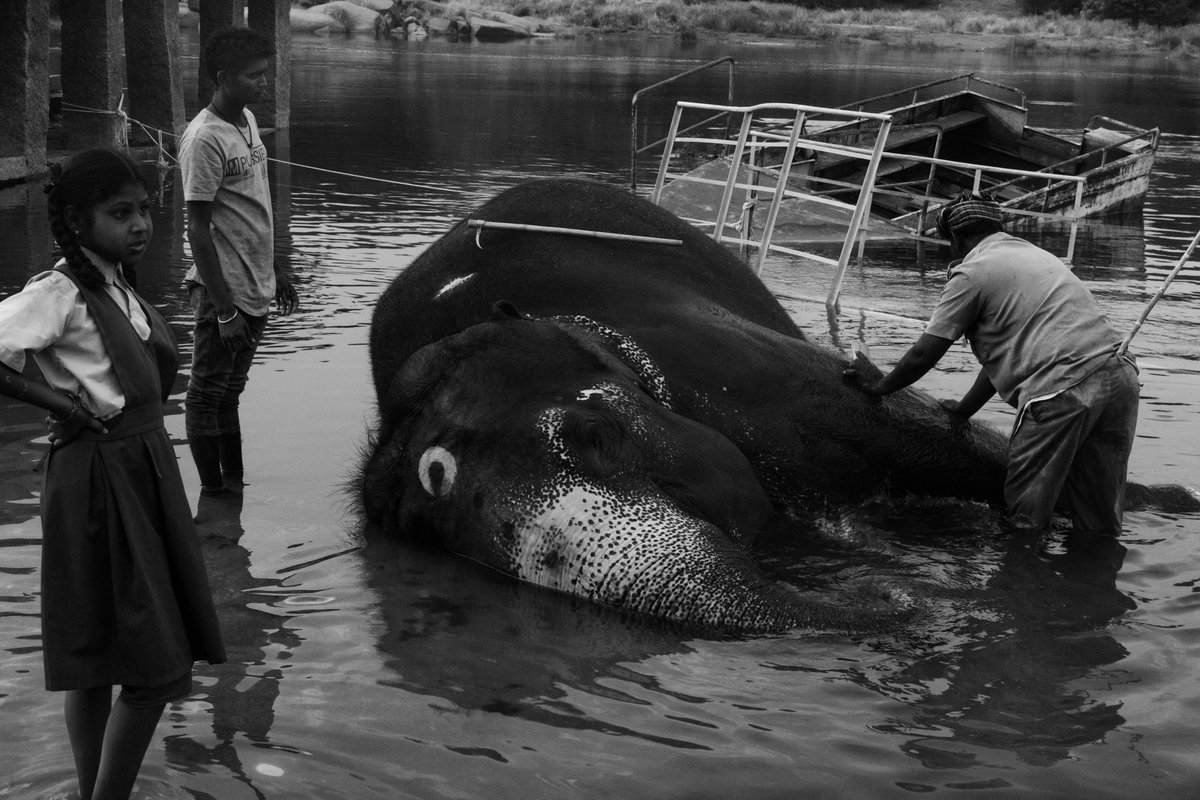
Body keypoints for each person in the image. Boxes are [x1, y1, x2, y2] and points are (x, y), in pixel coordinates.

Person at [0, 148, 226, 800]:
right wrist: (61, 403)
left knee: (99, 661)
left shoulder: (115, 283)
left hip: (141, 472)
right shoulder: (60, 291)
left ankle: (89, 792)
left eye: (145, 211)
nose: (140, 225)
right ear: (77, 218)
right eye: (120, 212)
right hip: (96, 482)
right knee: (151, 671)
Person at [843, 193, 1140, 536]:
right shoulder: (1036, 257)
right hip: (1120, 376)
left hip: (1063, 386)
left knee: (1027, 509)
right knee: (1098, 511)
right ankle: (1092, 581)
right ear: (997, 227)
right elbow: (1009, 353)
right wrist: (964, 410)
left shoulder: (973, 272)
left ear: (956, 238)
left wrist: (879, 385)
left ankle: (1019, 583)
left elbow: (925, 352)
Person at [178, 25, 298, 496]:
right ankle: (214, 500)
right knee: (206, 395)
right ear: (224, 78)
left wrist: (276, 267)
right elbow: (196, 228)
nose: (263, 83)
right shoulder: (204, 139)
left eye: (265, 74)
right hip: (221, 293)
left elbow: (253, 204)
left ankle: (232, 492)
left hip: (255, 284)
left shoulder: (245, 121)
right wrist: (224, 309)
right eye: (254, 76)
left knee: (229, 395)